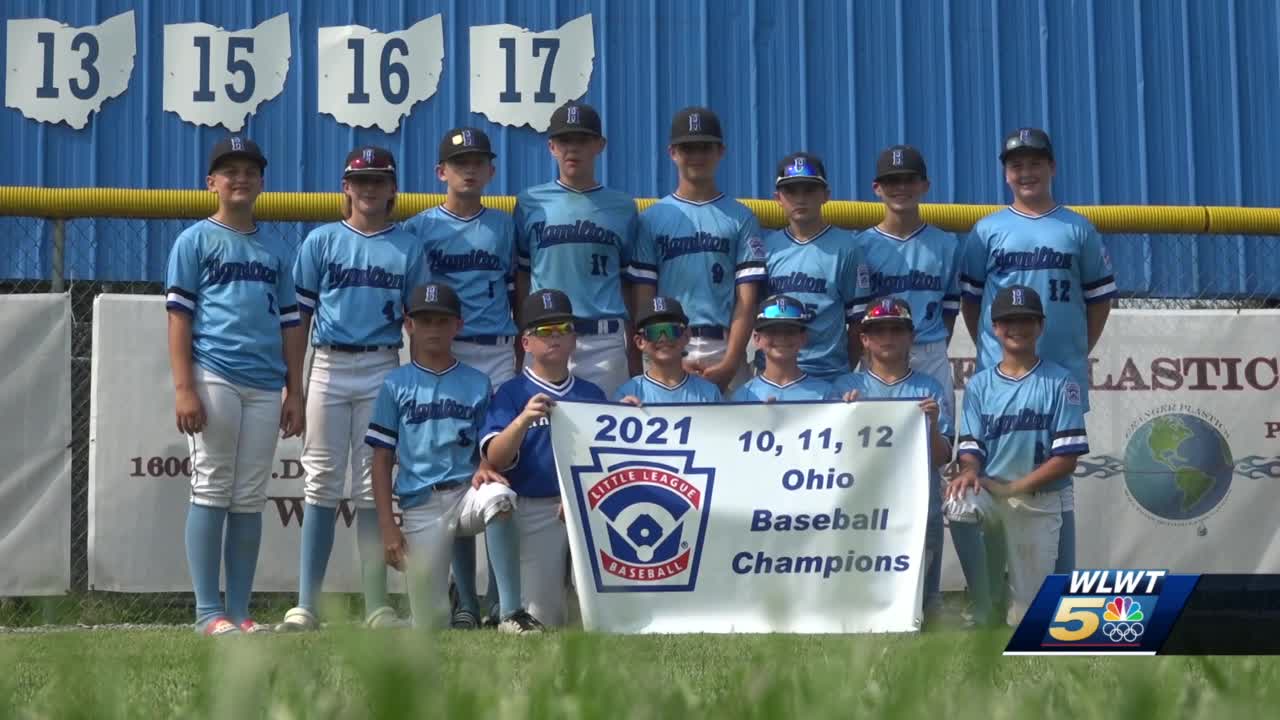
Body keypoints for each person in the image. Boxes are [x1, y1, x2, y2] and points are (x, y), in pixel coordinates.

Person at [277, 146, 426, 632]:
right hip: (330, 365)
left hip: (383, 362)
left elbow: (421, 323)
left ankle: (377, 605)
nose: (369, 188)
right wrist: (293, 388)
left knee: (370, 486)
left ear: (392, 190)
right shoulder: (321, 241)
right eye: (360, 180)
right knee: (319, 480)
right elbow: (297, 319)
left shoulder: (408, 247)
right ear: (346, 187)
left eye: (379, 180)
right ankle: (306, 604)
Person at [960, 128, 1116, 575]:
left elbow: (1099, 298)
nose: (1025, 172)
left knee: (1056, 476)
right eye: (1016, 165)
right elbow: (973, 302)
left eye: (1034, 163)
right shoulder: (987, 230)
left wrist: (1075, 348)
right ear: (1006, 174)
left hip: (1059, 371)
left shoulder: (1076, 227)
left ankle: (1058, 583)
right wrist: (990, 349)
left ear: (1052, 167)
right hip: (1000, 374)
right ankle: (996, 593)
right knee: (992, 474)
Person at [165, 135, 305, 635]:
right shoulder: (195, 240)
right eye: (230, 170)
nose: (240, 178)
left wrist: (297, 390)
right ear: (212, 183)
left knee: (248, 495)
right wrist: (184, 387)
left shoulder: (274, 249)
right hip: (215, 371)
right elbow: (179, 319)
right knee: (211, 485)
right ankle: (208, 612)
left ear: (262, 182)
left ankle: (239, 611)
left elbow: (291, 325)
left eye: (249, 170)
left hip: (267, 382)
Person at [365, 283, 541, 633]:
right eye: (425, 320)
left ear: (457, 326)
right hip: (420, 504)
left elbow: (485, 445)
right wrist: (388, 524)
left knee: (501, 498)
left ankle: (509, 613)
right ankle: (449, 600)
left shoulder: (477, 382)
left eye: (441, 321)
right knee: (431, 624)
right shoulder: (395, 384)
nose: (433, 328)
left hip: (465, 495)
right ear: (409, 325)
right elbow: (381, 459)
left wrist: (484, 465)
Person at [402, 128, 519, 628]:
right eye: (458, 161)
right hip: (446, 350)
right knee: (453, 472)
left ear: (491, 170)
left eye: (477, 161)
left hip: (497, 349)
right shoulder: (419, 228)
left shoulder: (505, 226)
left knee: (497, 469)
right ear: (440, 172)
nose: (468, 169)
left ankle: (500, 599)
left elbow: (519, 287)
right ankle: (466, 601)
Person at [946, 286, 1089, 626]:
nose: (1017, 328)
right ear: (995, 327)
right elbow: (971, 447)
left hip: (1039, 499)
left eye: (1026, 320)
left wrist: (1013, 488)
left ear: (1040, 326)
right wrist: (968, 470)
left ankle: (1008, 604)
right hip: (993, 495)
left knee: (1028, 620)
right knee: (958, 502)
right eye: (1009, 320)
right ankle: (983, 605)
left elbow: (1066, 460)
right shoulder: (980, 385)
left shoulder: (1060, 382)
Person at [480, 290, 608, 626]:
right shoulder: (511, 393)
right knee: (542, 617)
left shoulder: (591, 394)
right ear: (526, 343)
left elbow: (608, 460)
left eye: (562, 329)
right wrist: (521, 420)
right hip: (534, 507)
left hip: (585, 506)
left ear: (574, 339)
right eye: (544, 331)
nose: (555, 337)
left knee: (597, 614)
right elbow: (494, 458)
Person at [831, 298, 952, 620]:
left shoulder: (929, 388)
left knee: (922, 601)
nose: (887, 338)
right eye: (878, 330)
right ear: (864, 339)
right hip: (862, 507)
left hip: (918, 504)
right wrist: (844, 417)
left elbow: (942, 457)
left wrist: (933, 425)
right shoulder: (846, 387)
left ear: (911, 337)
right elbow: (831, 458)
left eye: (896, 330)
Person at [630, 107, 766, 392]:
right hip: (667, 342)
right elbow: (644, 296)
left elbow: (747, 299)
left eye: (705, 147)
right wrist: (665, 357)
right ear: (672, 153)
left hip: (725, 344)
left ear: (721, 151)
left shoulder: (741, 217)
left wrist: (731, 361)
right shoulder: (652, 218)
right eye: (687, 148)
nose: (696, 156)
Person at [514, 101, 641, 398]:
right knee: (540, 435)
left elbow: (628, 282)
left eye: (582, 140)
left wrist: (632, 348)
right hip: (547, 336)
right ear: (552, 147)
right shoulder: (530, 201)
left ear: (600, 145)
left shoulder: (622, 206)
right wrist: (525, 337)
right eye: (564, 140)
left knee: (605, 437)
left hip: (603, 342)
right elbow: (522, 275)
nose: (573, 148)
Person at [859, 145, 962, 398]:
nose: (900, 187)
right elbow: (856, 313)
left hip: (929, 351)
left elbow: (949, 309)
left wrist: (934, 347)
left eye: (909, 180)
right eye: (892, 180)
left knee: (938, 434)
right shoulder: (861, 246)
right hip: (878, 355)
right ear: (877, 188)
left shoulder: (947, 245)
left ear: (925, 185)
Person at [760, 153, 871, 381]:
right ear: (777, 197)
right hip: (774, 374)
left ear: (825, 195)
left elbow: (858, 320)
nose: (800, 198)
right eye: (791, 191)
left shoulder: (847, 248)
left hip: (827, 373)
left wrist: (843, 369)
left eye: (809, 190)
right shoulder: (767, 249)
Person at [615, 296, 724, 405]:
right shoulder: (627, 393)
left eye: (672, 330)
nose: (663, 338)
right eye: (654, 332)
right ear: (640, 342)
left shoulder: (709, 393)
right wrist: (621, 412)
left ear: (686, 335)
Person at [731, 294, 839, 403]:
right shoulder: (744, 396)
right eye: (772, 331)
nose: (782, 338)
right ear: (757, 339)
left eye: (790, 331)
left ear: (803, 337)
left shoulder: (826, 394)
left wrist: (850, 406)